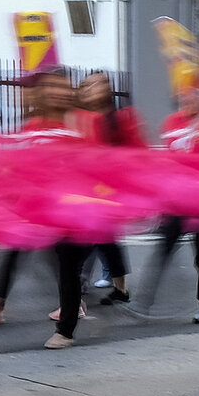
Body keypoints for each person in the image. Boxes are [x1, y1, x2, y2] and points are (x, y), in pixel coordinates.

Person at [0, 70, 82, 330]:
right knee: (17, 248)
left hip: (66, 209)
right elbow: (17, 164)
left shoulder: (77, 125)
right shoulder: (31, 126)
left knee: (63, 262)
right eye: (50, 87)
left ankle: (68, 317)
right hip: (34, 207)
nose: (56, 92)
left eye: (61, 86)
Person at [149, 84, 199, 324]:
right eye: (184, 95)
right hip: (177, 199)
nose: (189, 99)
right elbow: (167, 161)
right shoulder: (171, 122)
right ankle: (144, 301)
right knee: (164, 248)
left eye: (195, 95)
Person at [74, 70, 144, 307]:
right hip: (86, 193)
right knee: (105, 242)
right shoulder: (79, 118)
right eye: (89, 86)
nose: (93, 89)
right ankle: (119, 289)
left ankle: (74, 294)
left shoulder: (119, 119)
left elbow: (137, 153)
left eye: (99, 84)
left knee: (91, 244)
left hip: (107, 195)